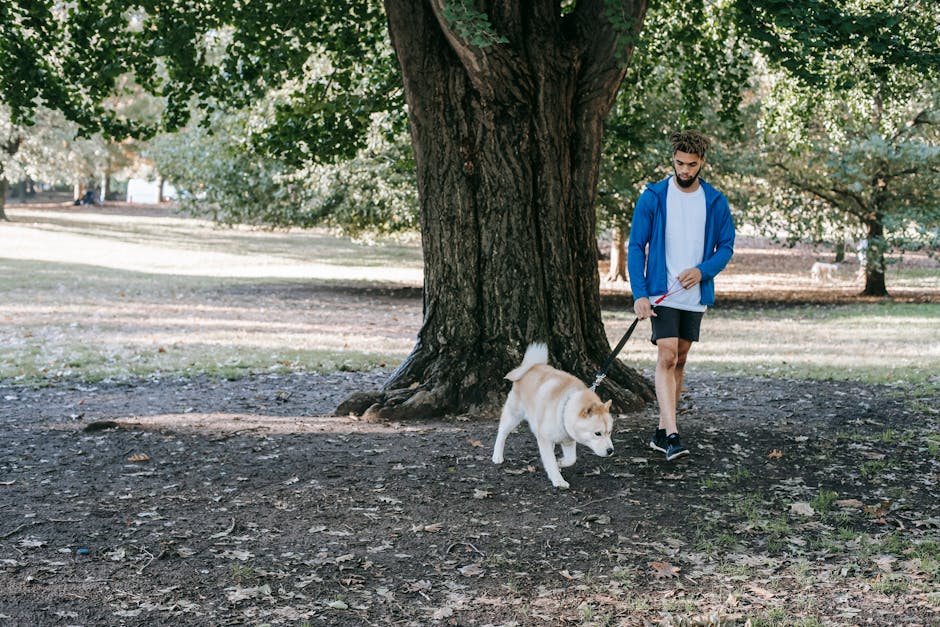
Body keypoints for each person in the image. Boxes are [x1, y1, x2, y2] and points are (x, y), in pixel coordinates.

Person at [627, 130, 735, 461]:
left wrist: (703, 271)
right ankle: (673, 435)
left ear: (701, 162)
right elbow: (636, 246)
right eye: (678, 163)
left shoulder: (715, 201)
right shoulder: (654, 196)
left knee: (682, 358)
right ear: (672, 159)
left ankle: (661, 430)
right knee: (667, 356)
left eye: (691, 164)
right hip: (662, 291)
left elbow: (726, 246)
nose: (684, 170)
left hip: (694, 293)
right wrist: (640, 293)